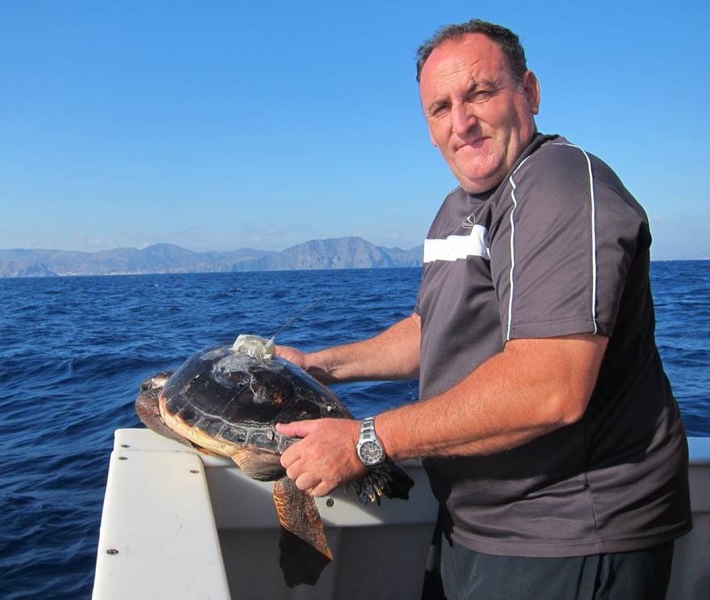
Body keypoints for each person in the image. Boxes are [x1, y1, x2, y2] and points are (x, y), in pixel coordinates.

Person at [275, 18, 692, 599]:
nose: (461, 123)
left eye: (480, 93)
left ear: (531, 92)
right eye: (440, 108)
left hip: (569, 533)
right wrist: (322, 364)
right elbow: (431, 330)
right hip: (476, 525)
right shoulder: (459, 208)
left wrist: (365, 440)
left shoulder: (559, 185)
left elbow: (551, 386)